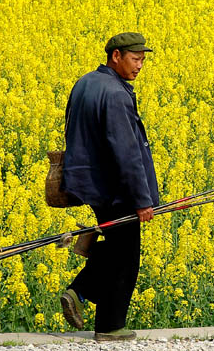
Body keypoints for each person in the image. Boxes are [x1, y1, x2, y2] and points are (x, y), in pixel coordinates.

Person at [59, 32, 160, 341]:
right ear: (116, 56)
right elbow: (127, 152)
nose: (140, 65)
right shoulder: (115, 94)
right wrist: (142, 199)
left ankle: (80, 293)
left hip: (92, 183)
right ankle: (108, 325)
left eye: (143, 60)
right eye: (135, 59)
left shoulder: (85, 82)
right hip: (116, 188)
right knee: (127, 259)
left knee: (117, 250)